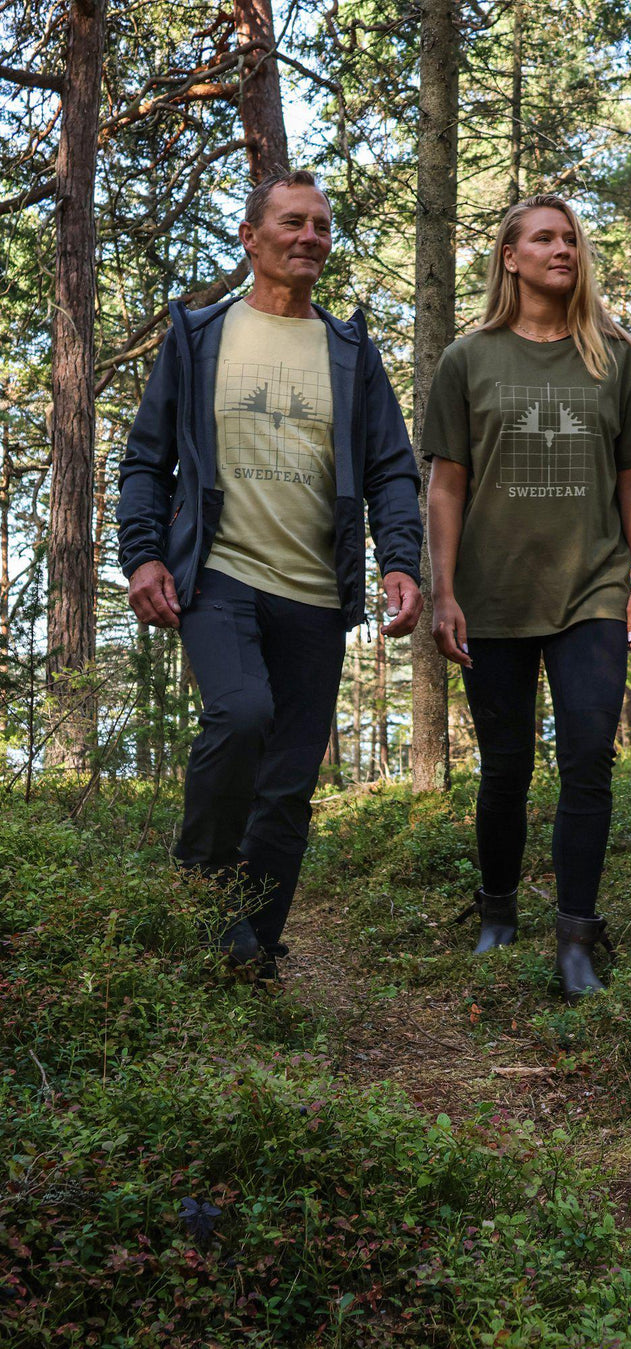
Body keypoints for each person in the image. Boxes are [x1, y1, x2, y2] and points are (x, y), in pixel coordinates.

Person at [117, 170, 423, 975]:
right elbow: (146, 461)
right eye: (292, 223)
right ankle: (201, 887)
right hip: (219, 574)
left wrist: (400, 561)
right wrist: (143, 554)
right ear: (251, 237)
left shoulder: (350, 351)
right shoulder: (199, 335)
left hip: (317, 592)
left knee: (288, 781)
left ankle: (254, 941)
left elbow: (393, 468)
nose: (310, 237)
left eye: (322, 225)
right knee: (241, 714)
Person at [422, 192, 631, 1002]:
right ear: (510, 257)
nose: (563, 249)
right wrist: (443, 590)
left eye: (571, 239)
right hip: (491, 593)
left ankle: (576, 940)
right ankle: (496, 912)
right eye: (544, 239)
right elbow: (446, 485)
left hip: (592, 588)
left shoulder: (619, 358)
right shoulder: (468, 360)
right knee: (507, 766)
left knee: (588, 756)